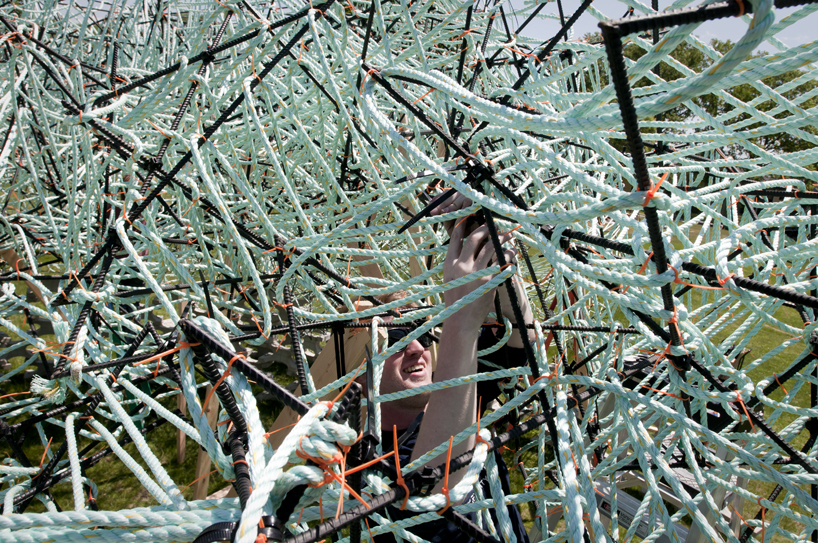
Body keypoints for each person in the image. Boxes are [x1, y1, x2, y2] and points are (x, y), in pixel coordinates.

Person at [370, 194, 534, 543]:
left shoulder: (461, 391)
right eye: (396, 339)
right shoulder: (361, 457)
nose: (416, 348)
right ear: (362, 367)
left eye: (422, 333)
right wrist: (460, 322)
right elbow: (430, 495)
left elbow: (519, 342)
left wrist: (490, 258)